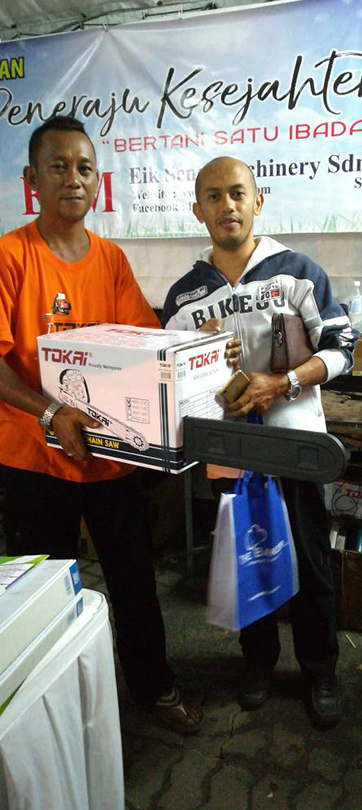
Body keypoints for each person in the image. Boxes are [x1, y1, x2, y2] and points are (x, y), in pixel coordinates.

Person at [0, 115, 203, 734]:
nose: (73, 178)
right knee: (44, 594)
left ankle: (154, 688)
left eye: (84, 168)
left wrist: (200, 356)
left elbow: (145, 343)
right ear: (32, 179)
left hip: (111, 457)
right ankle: (51, 716)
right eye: (58, 166)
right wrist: (50, 412)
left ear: (97, 182)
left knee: (135, 581)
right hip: (33, 461)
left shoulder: (110, 258)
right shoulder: (10, 256)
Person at [162, 156, 356, 729]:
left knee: (311, 560)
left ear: (258, 201)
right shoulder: (185, 295)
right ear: (197, 210)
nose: (227, 205)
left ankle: (320, 669)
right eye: (214, 196)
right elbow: (167, 375)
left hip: (296, 446)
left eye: (237, 193)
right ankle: (258, 663)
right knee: (248, 557)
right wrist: (196, 353)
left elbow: (342, 349)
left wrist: (284, 381)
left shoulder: (296, 272)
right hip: (231, 453)